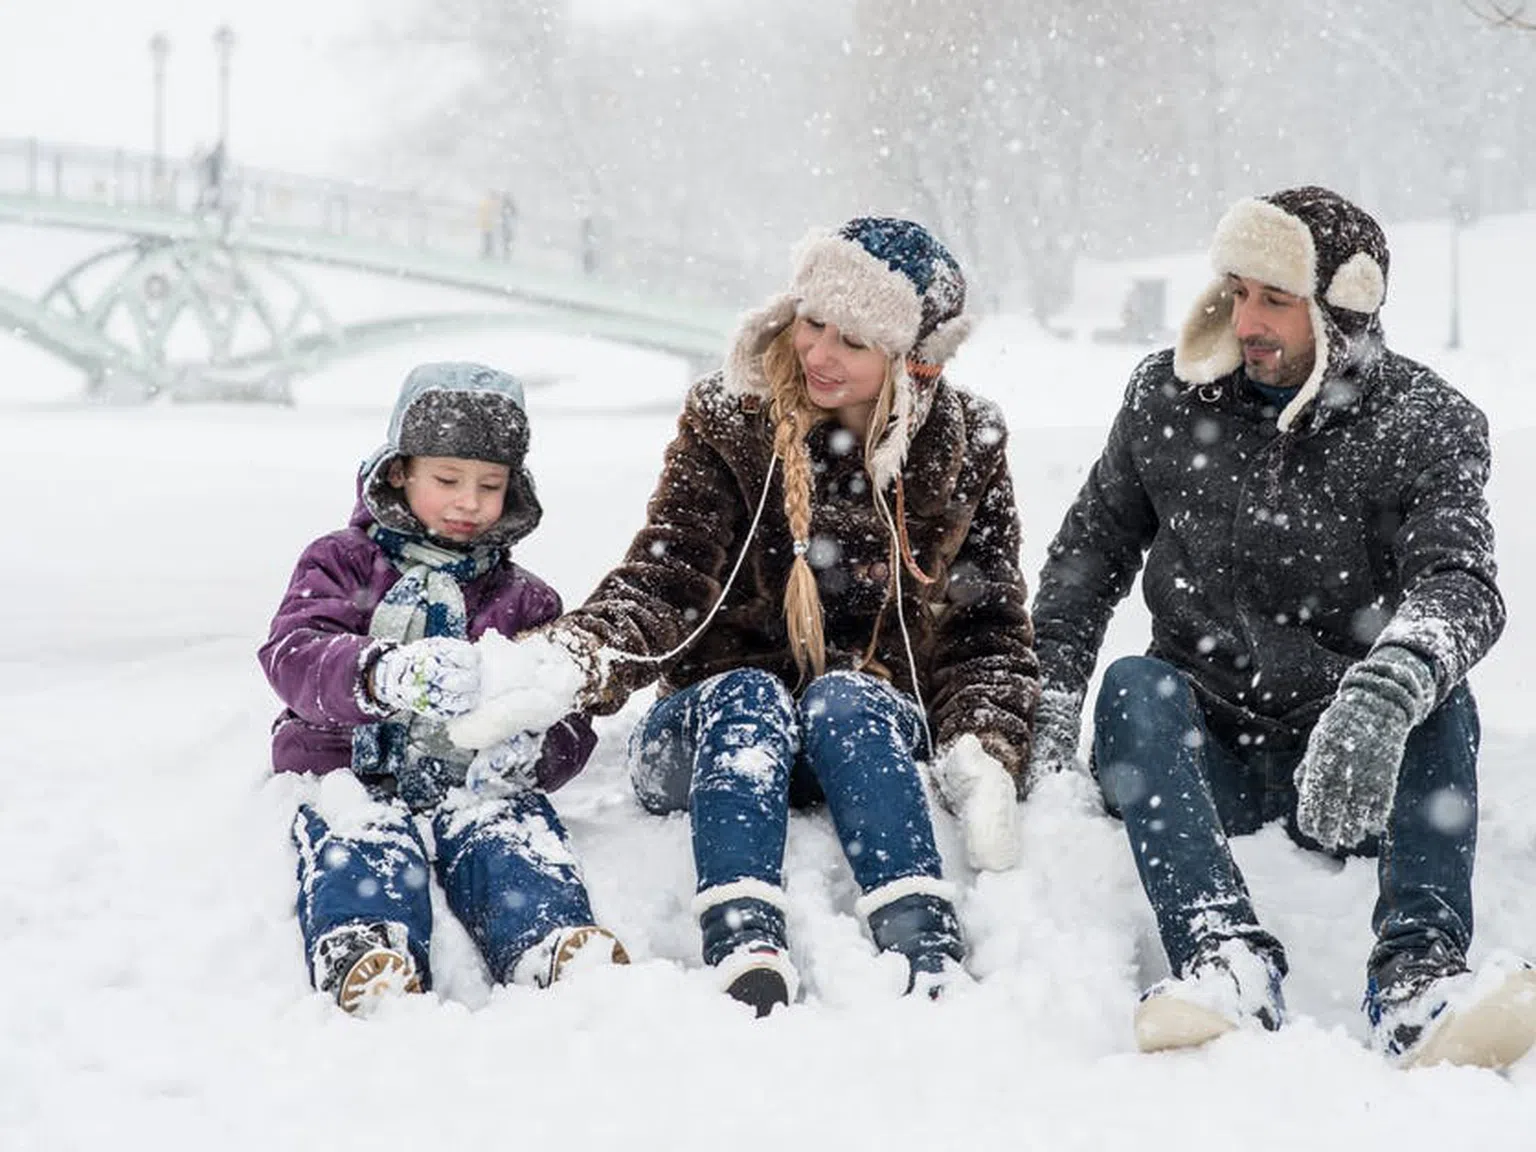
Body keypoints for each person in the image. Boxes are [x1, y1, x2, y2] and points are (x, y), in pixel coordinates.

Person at [448, 218, 1038, 1014]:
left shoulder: (970, 444)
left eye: (853, 341)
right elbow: (666, 579)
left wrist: (983, 744)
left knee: (850, 697)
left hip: (859, 743)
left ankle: (921, 937)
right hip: (711, 735)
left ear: (910, 362)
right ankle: (743, 932)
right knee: (749, 698)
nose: (818, 354)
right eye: (813, 322)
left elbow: (988, 626)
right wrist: (574, 659)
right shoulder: (731, 418)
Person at [1029, 186, 1533, 1067]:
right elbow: (1085, 562)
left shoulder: (1424, 424)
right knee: (1131, 686)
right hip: (1202, 750)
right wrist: (1045, 702)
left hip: (1350, 764)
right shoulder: (1165, 398)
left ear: (1342, 310)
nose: (1245, 319)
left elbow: (1460, 582)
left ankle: (1418, 979)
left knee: (1437, 693)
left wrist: (1384, 693)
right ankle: (1223, 959)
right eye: (1235, 289)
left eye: (1275, 298)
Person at [258, 362, 627, 1014]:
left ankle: (548, 937)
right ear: (400, 471)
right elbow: (294, 652)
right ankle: (366, 943)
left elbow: (565, 710)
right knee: (362, 835)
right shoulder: (342, 563)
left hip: (470, 780)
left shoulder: (525, 599)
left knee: (511, 833)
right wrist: (380, 673)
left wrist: (536, 749)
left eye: (490, 485)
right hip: (346, 766)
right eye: (448, 480)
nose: (468, 502)